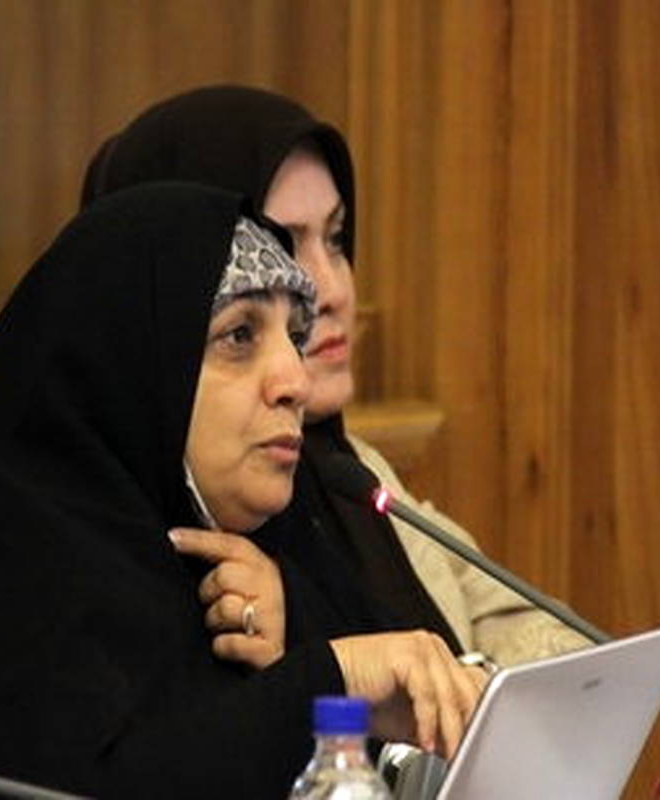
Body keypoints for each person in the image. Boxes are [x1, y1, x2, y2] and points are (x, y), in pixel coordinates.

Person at [0, 183, 481, 799]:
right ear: (134, 366)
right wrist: (332, 681)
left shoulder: (248, 557)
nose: (295, 381)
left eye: (296, 337)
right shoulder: (4, 567)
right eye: (239, 336)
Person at [82, 86, 589, 671]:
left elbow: (538, 634)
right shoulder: (139, 536)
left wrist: (471, 687)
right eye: (282, 248)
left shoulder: (353, 471)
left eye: (336, 239)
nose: (333, 290)